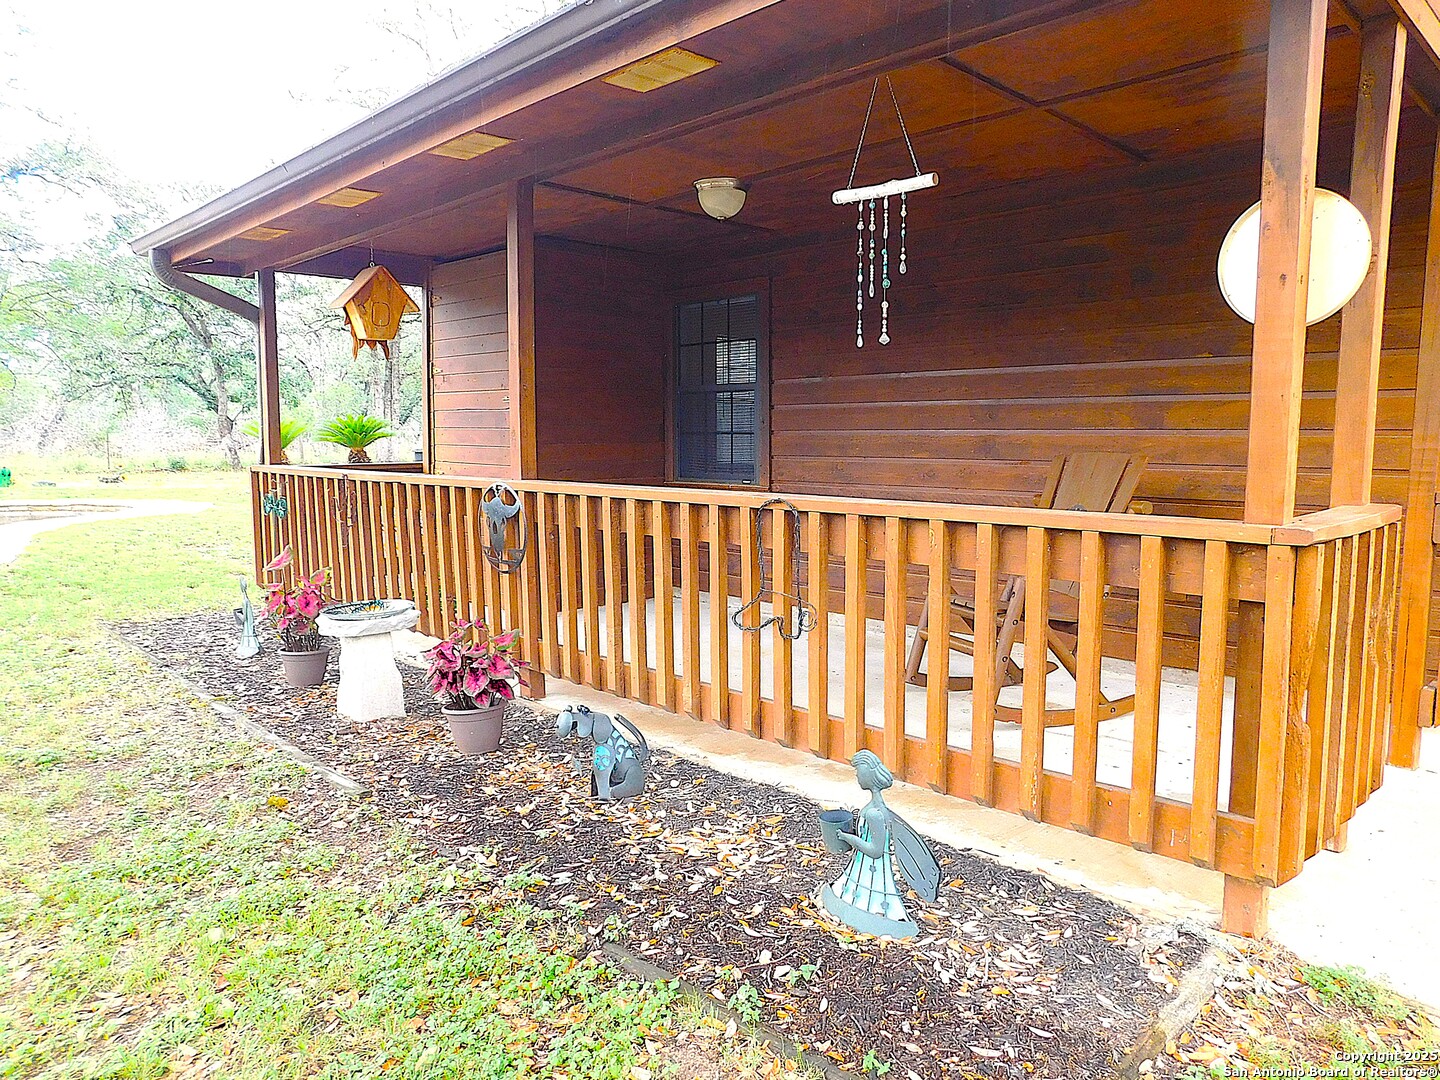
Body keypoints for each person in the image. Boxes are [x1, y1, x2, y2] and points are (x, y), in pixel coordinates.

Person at [822, 749, 940, 938]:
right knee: (856, 889)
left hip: (873, 867)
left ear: (868, 775)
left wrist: (847, 837)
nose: (856, 776)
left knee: (872, 893)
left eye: (858, 771)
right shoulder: (874, 809)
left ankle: (884, 922)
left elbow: (876, 850)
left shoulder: (875, 813)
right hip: (862, 865)